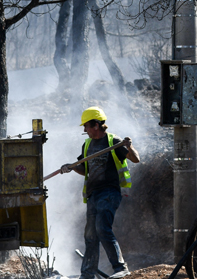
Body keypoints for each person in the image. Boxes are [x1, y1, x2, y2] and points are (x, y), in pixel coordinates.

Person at [60, 106, 139, 279]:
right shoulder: (87, 144)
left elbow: (135, 159)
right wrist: (71, 167)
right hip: (93, 194)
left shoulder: (113, 141)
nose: (84, 129)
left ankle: (120, 268)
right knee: (90, 235)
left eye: (86, 126)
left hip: (109, 192)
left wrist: (129, 146)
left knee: (102, 228)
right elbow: (84, 168)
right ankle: (87, 274)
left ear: (96, 125)